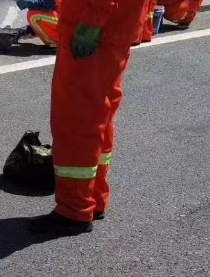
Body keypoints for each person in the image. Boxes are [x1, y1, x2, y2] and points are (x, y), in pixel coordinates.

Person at [29, 0, 145, 236]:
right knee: (98, 115)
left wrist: (91, 23)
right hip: (112, 27)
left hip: (93, 27)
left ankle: (74, 210)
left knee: (76, 120)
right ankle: (93, 197)